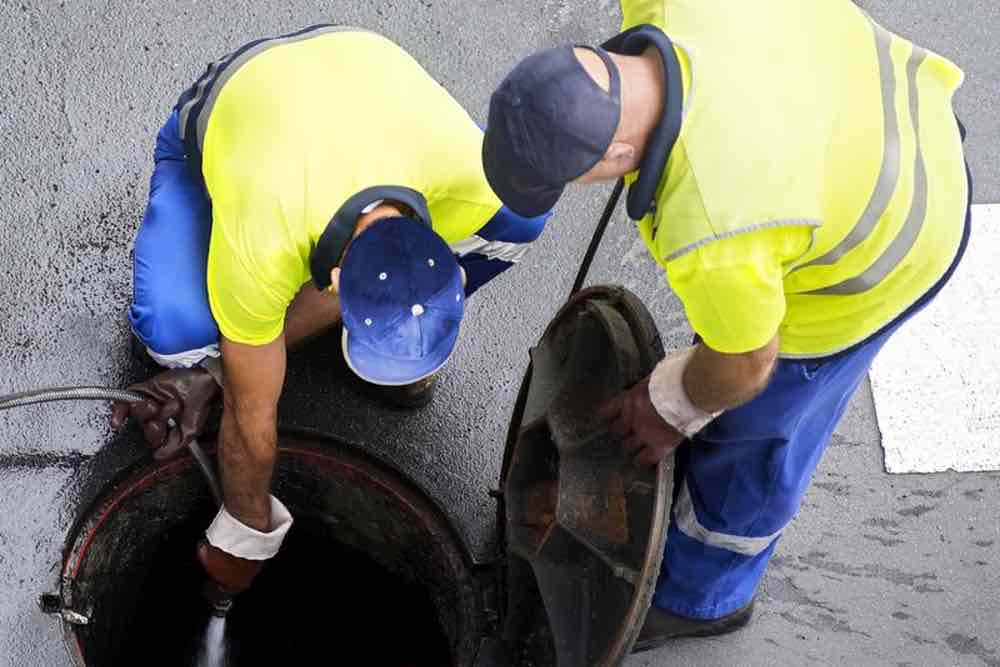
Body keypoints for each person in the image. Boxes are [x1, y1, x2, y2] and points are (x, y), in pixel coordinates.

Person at [482, 0, 969, 651]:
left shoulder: (713, 222)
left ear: (621, 149)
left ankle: (704, 595)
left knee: (757, 426)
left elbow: (748, 363)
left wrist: (669, 404)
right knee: (730, 337)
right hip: (887, 108)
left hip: (897, 229)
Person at [111, 25, 550, 598]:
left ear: (434, 242)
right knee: (177, 338)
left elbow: (525, 200)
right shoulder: (262, 242)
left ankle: (396, 332)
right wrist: (244, 534)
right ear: (336, 282)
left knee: (517, 224)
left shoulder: (477, 183)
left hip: (355, 64)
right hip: (239, 97)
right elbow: (250, 412)